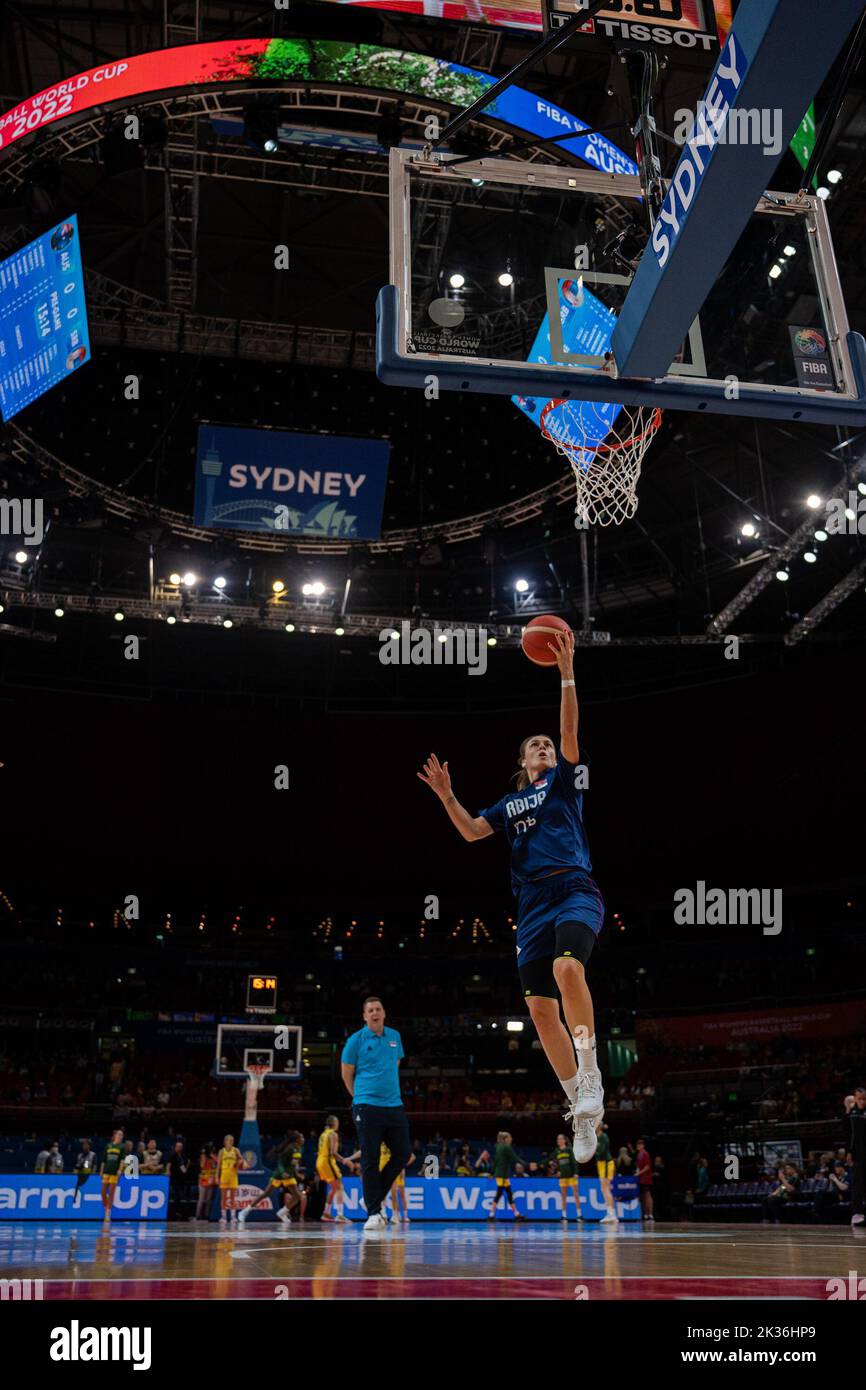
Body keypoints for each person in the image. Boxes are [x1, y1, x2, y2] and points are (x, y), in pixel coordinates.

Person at [418, 629, 605, 1165]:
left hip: (573, 888)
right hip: (530, 908)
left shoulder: (565, 781)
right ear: (522, 762)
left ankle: (590, 1072)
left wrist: (566, 672)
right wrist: (448, 797)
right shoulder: (509, 801)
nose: (545, 747)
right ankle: (579, 1107)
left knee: (570, 971)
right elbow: (474, 832)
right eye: (535, 746)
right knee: (539, 1009)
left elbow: (569, 726)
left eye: (547, 744)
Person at [341, 996, 411, 1232]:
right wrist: (359, 1097)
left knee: (403, 1153)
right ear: (364, 1016)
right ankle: (373, 1212)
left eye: (378, 1009)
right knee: (370, 1158)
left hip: (393, 1105)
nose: (374, 1013)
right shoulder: (355, 1041)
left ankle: (373, 1197)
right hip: (366, 1105)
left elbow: (395, 1065)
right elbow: (346, 1073)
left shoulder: (395, 1037)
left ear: (384, 1013)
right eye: (370, 1010)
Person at [240, 1132, 307, 1226]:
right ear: (297, 1140)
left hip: (289, 1175)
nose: (303, 1139)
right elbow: (280, 1162)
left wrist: (297, 1173)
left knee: (297, 1196)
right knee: (266, 1194)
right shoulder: (289, 1148)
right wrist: (283, 1172)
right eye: (302, 1137)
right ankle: (244, 1211)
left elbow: (293, 1164)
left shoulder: (299, 1148)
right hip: (280, 1175)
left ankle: (282, 1212)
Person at [315, 1115, 353, 1224]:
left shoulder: (323, 1134)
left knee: (334, 1187)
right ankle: (340, 1215)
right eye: (337, 1121)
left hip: (320, 1161)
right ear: (333, 1123)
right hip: (327, 1161)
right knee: (340, 1186)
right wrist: (345, 1161)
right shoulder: (333, 1134)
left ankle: (326, 1213)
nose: (338, 1124)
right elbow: (332, 1153)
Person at [488, 1131, 524, 1221]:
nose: (511, 1139)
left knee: (507, 1193)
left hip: (502, 1175)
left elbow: (496, 1161)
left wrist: (492, 1173)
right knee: (501, 1193)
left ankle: (515, 1214)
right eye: (510, 1137)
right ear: (506, 1139)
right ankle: (492, 1214)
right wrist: (526, 1164)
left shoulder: (499, 1147)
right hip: (502, 1175)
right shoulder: (506, 1147)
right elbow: (515, 1158)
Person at [844, 1088, 865, 1227]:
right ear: (855, 1099)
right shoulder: (852, 1114)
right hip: (858, 1154)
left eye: (865, 1099)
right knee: (858, 1184)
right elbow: (850, 1135)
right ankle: (856, 1214)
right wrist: (849, 1152)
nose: (863, 1101)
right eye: (860, 1099)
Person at [216, 1133, 245, 1226]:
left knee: (233, 1197)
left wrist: (238, 1162)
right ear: (225, 1142)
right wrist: (217, 1176)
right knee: (223, 1197)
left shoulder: (236, 1150)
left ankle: (233, 1216)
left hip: (233, 1175)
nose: (230, 1142)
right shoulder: (221, 1151)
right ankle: (223, 1217)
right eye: (228, 1140)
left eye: (232, 1141)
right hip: (224, 1174)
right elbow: (218, 1166)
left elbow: (242, 1160)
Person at [99, 1128, 125, 1225]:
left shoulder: (122, 1147)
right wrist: (101, 1171)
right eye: (119, 1134)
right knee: (103, 1192)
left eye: (122, 1135)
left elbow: (122, 1160)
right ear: (115, 1135)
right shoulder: (108, 1146)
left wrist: (120, 1170)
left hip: (114, 1172)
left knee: (111, 1193)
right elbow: (104, 1160)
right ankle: (106, 1208)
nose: (120, 1136)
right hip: (106, 1171)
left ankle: (108, 1213)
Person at [553, 1132, 580, 1222]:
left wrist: (576, 1172)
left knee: (575, 1194)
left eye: (561, 1139)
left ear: (564, 1140)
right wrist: (557, 1171)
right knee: (563, 1196)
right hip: (563, 1177)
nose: (559, 1140)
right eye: (558, 1139)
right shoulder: (557, 1151)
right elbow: (554, 1162)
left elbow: (574, 1162)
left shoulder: (569, 1149)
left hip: (571, 1176)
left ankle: (579, 1215)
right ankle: (564, 1216)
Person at [596, 1121, 618, 1223]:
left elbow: (602, 1151)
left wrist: (591, 1151)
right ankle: (610, 1214)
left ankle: (612, 1215)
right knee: (604, 1189)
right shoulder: (595, 1137)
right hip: (600, 1164)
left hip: (606, 1163)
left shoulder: (603, 1136)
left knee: (605, 1189)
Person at [167, 1140, 189, 1221]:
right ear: (175, 1147)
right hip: (174, 1179)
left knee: (180, 1198)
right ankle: (173, 1214)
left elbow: (185, 1168)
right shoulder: (172, 1155)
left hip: (181, 1180)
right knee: (175, 1197)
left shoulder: (183, 1156)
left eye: (180, 1147)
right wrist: (168, 1171)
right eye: (178, 1146)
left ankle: (180, 1214)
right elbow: (168, 1165)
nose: (179, 1148)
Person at [194, 1144, 217, 1222]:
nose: (213, 1149)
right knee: (201, 1198)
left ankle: (206, 1215)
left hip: (211, 1180)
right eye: (211, 1148)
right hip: (203, 1180)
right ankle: (198, 1215)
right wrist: (204, 1156)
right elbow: (202, 1166)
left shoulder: (214, 1156)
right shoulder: (203, 1156)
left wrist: (212, 1156)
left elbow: (218, 1162)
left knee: (208, 1199)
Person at [72, 1139, 97, 1206]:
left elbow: (94, 1167)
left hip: (88, 1176)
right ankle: (75, 1200)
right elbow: (76, 1166)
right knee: (76, 1188)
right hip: (79, 1176)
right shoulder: (80, 1155)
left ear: (89, 1146)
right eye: (83, 1145)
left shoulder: (93, 1154)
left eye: (86, 1145)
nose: (84, 1146)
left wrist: (92, 1175)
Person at [635, 1137, 654, 1222]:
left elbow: (647, 1167)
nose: (638, 1146)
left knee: (647, 1195)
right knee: (642, 1197)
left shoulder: (645, 1154)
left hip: (646, 1178)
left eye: (640, 1144)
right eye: (637, 1144)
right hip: (640, 1179)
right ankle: (645, 1215)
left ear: (643, 1146)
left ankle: (650, 1214)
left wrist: (639, 1173)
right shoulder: (639, 1154)